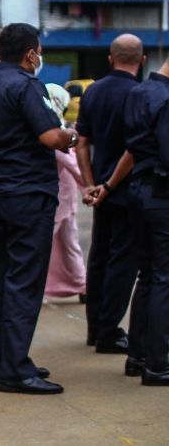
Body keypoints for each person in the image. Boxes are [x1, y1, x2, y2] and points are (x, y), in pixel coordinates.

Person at [0, 23, 77, 395]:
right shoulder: (26, 85)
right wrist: (72, 135)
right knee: (24, 283)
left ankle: (6, 361)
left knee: (2, 278)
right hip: (28, 193)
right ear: (31, 53)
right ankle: (16, 370)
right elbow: (51, 137)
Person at [76, 34, 145, 355]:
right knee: (124, 262)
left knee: (99, 257)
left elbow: (81, 142)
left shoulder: (94, 91)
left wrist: (91, 184)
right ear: (142, 61)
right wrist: (110, 186)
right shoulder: (141, 94)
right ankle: (108, 330)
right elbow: (134, 150)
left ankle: (94, 326)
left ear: (110, 58)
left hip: (100, 188)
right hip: (126, 189)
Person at [120, 52, 169, 385]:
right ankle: (158, 363)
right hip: (161, 193)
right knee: (164, 278)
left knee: (149, 275)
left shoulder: (139, 92)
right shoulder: (166, 98)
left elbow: (134, 148)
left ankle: (138, 356)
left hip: (138, 190)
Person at [43, 84, 87, 301]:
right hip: (64, 196)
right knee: (69, 242)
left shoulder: (52, 129)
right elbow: (72, 164)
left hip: (58, 197)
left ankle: (34, 286)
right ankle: (82, 284)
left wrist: (90, 186)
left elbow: (70, 163)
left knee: (42, 245)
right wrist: (90, 186)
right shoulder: (57, 128)